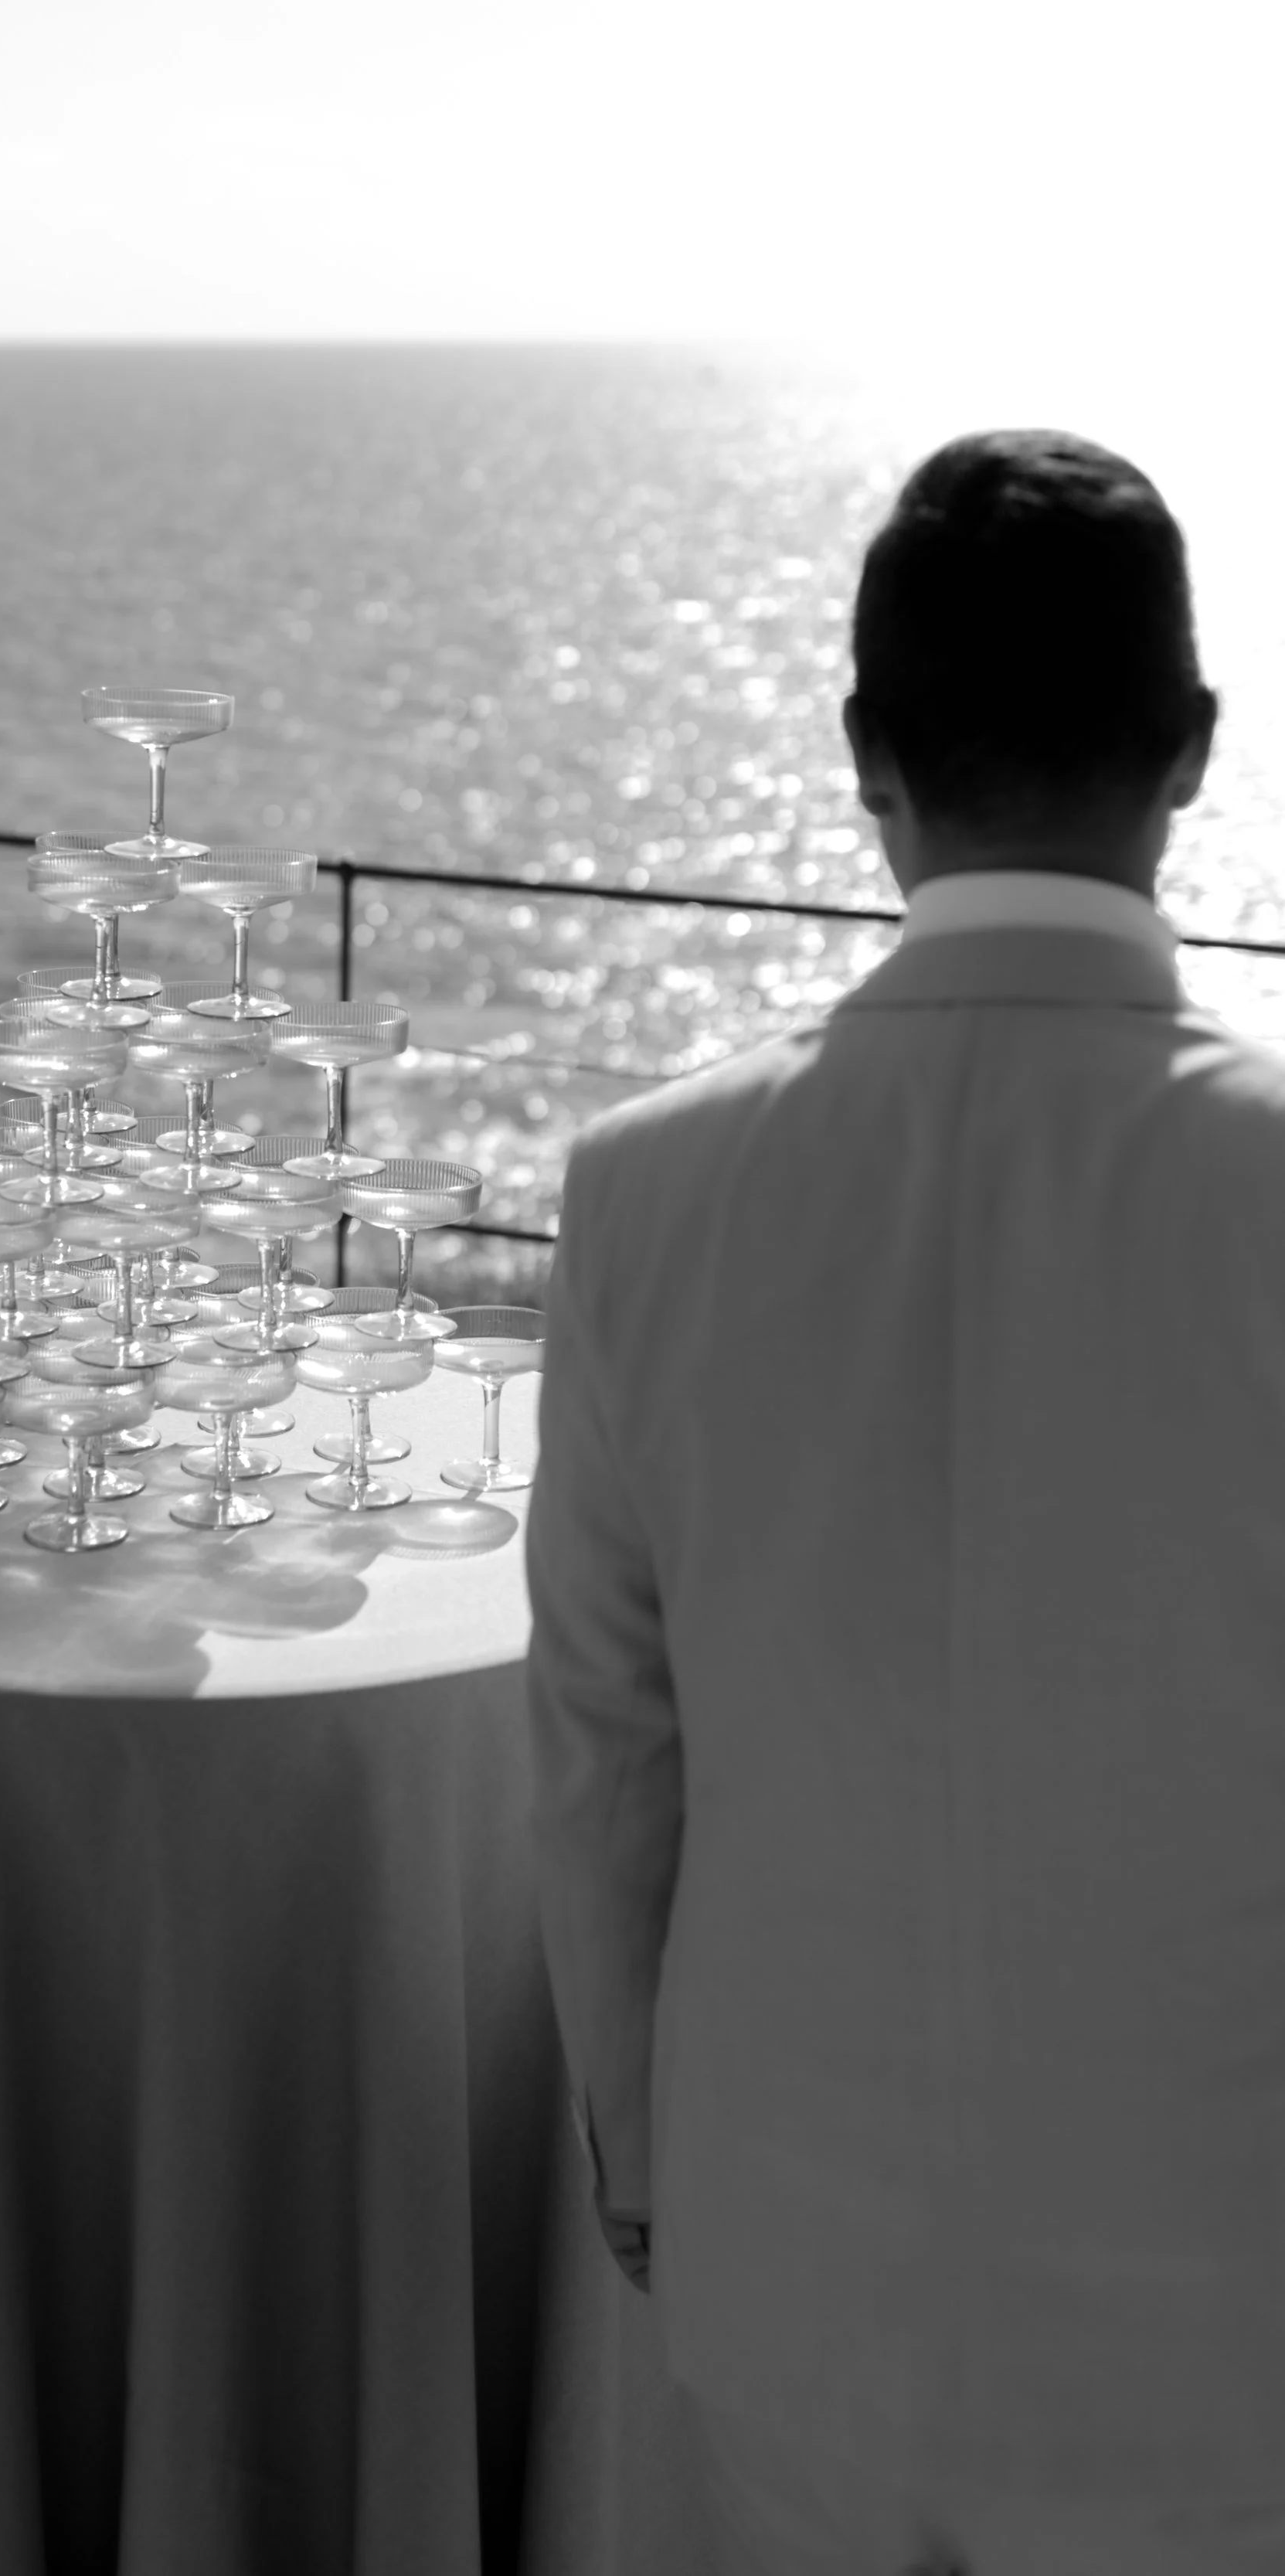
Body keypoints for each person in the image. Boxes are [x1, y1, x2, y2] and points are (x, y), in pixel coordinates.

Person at [526, 429, 1285, 2572]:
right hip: (1229, 2307)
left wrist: (638, 2133)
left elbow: (600, 1757)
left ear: (866, 755)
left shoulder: (642, 1188)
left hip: (789, 2266)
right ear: (1194, 750)